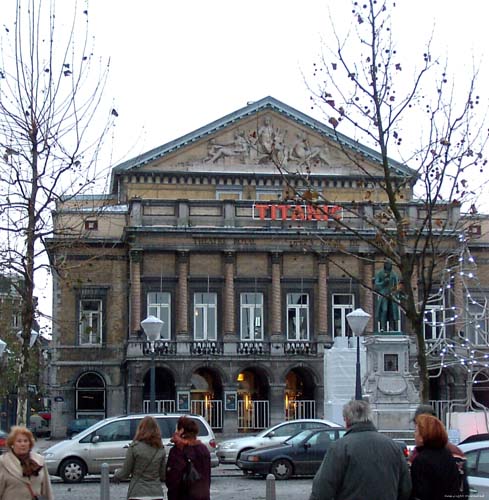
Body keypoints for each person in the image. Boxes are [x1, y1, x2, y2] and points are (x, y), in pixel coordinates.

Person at [309, 399, 411, 500]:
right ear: (370, 418)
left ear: (346, 421)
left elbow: (322, 489)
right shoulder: (393, 447)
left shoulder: (339, 448)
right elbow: (405, 488)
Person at [410, 405, 469, 498]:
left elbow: (419, 492)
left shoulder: (420, 459)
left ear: (425, 432)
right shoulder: (451, 453)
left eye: (417, 430)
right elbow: (462, 489)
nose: (414, 434)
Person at [113, 416, 166, 500]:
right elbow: (163, 475)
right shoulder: (160, 449)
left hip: (137, 493)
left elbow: (125, 472)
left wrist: (116, 475)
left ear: (140, 429)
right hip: (156, 494)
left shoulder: (134, 447)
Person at [0, 425, 53, 500]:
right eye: (19, 441)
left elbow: (47, 489)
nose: (23, 444)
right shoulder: (3, 462)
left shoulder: (39, 461)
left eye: (26, 441)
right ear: (12, 444)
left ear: (30, 444)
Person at [165, 415, 211, 500]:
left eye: (176, 429)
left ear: (181, 431)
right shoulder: (203, 449)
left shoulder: (178, 450)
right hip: (202, 495)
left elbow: (173, 479)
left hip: (183, 495)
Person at [374, 260, 400, 331]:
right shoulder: (380, 273)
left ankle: (393, 328)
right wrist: (383, 282)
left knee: (392, 311)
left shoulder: (394, 274)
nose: (388, 265)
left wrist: (395, 292)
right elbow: (376, 284)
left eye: (390, 264)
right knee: (384, 310)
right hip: (383, 294)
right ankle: (383, 327)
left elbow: (397, 285)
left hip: (392, 294)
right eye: (387, 264)